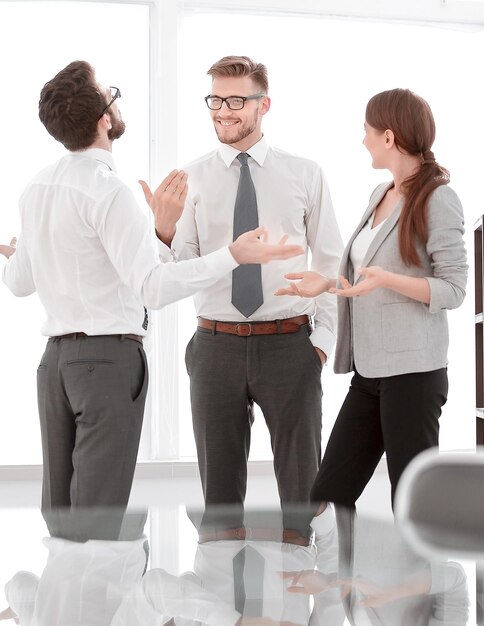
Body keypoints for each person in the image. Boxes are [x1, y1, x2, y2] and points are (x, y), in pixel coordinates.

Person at [0, 60, 303, 514]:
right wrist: (232, 255)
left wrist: (18, 253)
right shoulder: (109, 191)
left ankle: (64, 586)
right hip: (105, 363)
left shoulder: (35, 188)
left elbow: (19, 282)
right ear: (104, 119)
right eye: (111, 95)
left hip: (54, 367)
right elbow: (153, 289)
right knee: (98, 517)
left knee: (61, 513)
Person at [144, 55, 343, 540]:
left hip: (290, 343)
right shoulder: (190, 179)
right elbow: (178, 272)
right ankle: (222, 604)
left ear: (263, 105)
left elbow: (332, 260)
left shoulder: (306, 173)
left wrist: (321, 343)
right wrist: (163, 231)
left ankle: (297, 599)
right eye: (215, 99)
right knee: (219, 504)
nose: (223, 111)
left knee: (302, 498)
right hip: (215, 347)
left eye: (236, 100)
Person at [276, 88, 467, 511]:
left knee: (412, 505)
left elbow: (454, 289)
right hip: (371, 371)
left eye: (366, 131)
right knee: (327, 495)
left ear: (388, 137)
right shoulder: (380, 194)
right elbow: (368, 274)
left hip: (415, 375)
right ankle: (344, 579)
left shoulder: (439, 198)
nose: (362, 139)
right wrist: (326, 283)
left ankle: (419, 579)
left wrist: (390, 281)